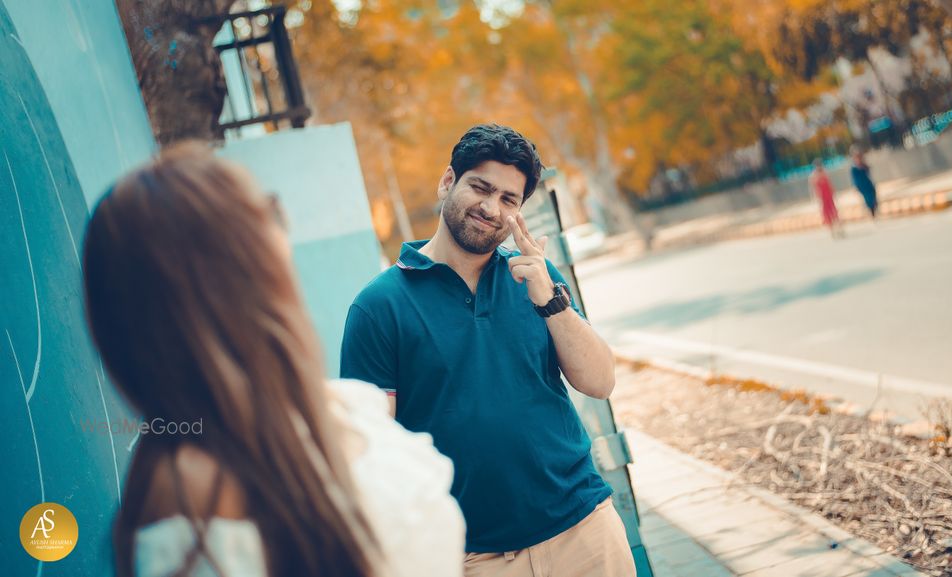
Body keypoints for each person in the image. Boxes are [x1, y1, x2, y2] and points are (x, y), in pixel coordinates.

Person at [82, 143, 464, 577]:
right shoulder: (192, 499)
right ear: (231, 276)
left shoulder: (341, 407)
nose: (284, 227)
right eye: (265, 213)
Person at [340, 124, 635, 577]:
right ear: (447, 182)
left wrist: (550, 299)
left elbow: (600, 382)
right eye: (480, 188)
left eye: (508, 200)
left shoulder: (538, 278)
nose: (490, 208)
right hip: (473, 557)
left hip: (584, 531)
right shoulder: (378, 306)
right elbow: (372, 450)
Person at [810, 158, 844, 238]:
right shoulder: (814, 176)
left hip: (829, 196)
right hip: (822, 198)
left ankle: (839, 229)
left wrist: (833, 193)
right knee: (827, 214)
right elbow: (814, 188)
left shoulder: (825, 173)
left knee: (834, 212)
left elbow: (830, 184)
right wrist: (816, 198)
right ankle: (832, 231)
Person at [849, 146, 878, 219]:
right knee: (867, 199)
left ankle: (873, 208)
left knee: (873, 195)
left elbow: (868, 170)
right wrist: (856, 186)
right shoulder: (854, 168)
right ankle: (871, 212)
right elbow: (854, 178)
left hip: (868, 183)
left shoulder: (863, 165)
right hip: (862, 185)